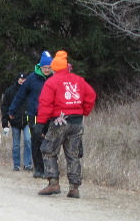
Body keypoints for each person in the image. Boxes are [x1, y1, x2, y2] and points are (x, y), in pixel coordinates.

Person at [36, 50, 97, 199]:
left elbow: (45, 103)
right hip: (76, 122)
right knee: (73, 155)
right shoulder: (79, 80)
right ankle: (74, 188)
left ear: (54, 67)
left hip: (59, 121)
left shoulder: (52, 82)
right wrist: (83, 112)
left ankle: (53, 183)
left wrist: (40, 122)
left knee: (48, 150)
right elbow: (91, 95)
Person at [8, 51, 53, 178]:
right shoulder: (32, 78)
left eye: (49, 67)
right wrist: (12, 110)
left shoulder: (54, 78)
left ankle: (48, 168)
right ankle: (38, 168)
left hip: (50, 115)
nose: (47, 70)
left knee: (48, 142)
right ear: (40, 66)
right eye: (45, 67)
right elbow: (20, 95)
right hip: (34, 115)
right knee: (36, 141)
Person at [0, 73, 33, 171]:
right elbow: (5, 107)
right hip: (14, 121)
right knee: (16, 144)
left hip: (27, 121)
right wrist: (5, 121)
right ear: (18, 79)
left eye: (24, 79)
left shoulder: (30, 91)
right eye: (21, 79)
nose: (22, 80)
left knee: (28, 141)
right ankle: (16, 164)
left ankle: (28, 164)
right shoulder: (10, 91)